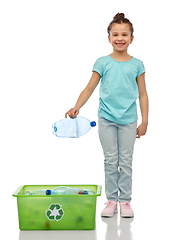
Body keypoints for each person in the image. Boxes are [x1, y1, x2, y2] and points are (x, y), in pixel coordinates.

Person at [65, 13, 149, 218]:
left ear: (132, 38)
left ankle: (125, 201)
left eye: (124, 34)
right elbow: (89, 89)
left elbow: (143, 94)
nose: (120, 38)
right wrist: (77, 106)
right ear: (109, 37)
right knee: (111, 160)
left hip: (129, 119)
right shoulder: (102, 62)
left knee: (126, 160)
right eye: (115, 34)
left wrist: (145, 120)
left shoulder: (137, 64)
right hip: (106, 119)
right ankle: (112, 200)